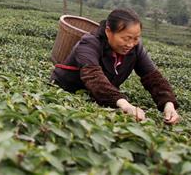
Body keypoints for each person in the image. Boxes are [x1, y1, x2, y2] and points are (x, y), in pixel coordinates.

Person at [51, 8, 180, 124]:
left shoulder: (136, 49)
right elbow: (94, 77)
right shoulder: (89, 43)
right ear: (108, 31)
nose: (130, 44)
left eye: (136, 38)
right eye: (126, 38)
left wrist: (168, 104)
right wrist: (124, 104)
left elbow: (153, 78)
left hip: (101, 98)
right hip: (68, 92)